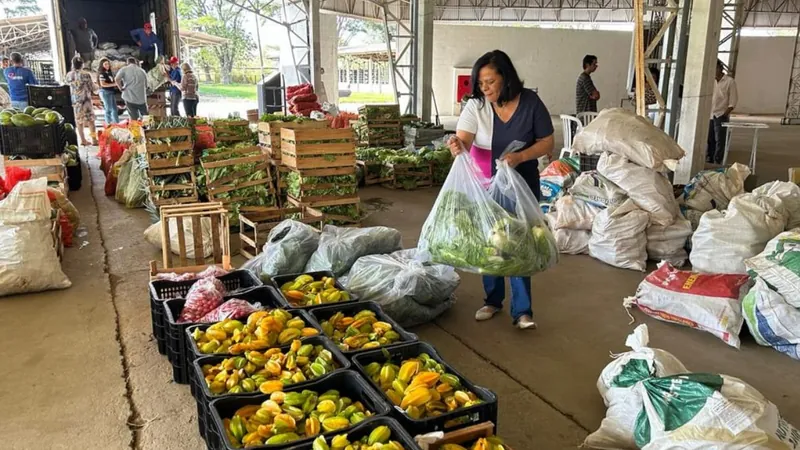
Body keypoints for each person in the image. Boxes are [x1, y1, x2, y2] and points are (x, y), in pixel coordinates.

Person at [447, 50, 555, 330]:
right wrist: (457, 147)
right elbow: (464, 141)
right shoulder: (477, 106)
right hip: (485, 184)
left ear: (506, 79)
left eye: (490, 82)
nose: (485, 88)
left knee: (518, 243)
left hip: (521, 183)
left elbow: (547, 142)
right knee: (491, 242)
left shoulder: (530, 103)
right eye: (480, 83)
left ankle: (522, 311)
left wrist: (520, 157)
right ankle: (492, 300)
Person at [708, 59, 738, 164]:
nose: (713, 71)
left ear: (720, 68)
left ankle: (717, 160)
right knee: (709, 139)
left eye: (715, 68)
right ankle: (710, 159)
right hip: (709, 114)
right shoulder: (709, 81)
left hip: (720, 114)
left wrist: (725, 114)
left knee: (720, 140)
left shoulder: (729, 81)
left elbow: (733, 101)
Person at [66, 57, 99, 146]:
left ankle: (83, 140)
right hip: (86, 101)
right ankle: (94, 140)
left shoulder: (69, 75)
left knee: (79, 121)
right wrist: (98, 87)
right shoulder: (86, 74)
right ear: (82, 64)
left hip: (75, 102)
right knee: (91, 121)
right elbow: (92, 87)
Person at [97, 58, 119, 124]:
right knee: (108, 109)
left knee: (114, 109)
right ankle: (108, 125)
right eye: (105, 64)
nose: (107, 65)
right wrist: (114, 84)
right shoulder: (102, 73)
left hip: (110, 92)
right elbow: (103, 84)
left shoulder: (109, 72)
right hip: (105, 92)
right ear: (102, 65)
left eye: (108, 64)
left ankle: (116, 124)